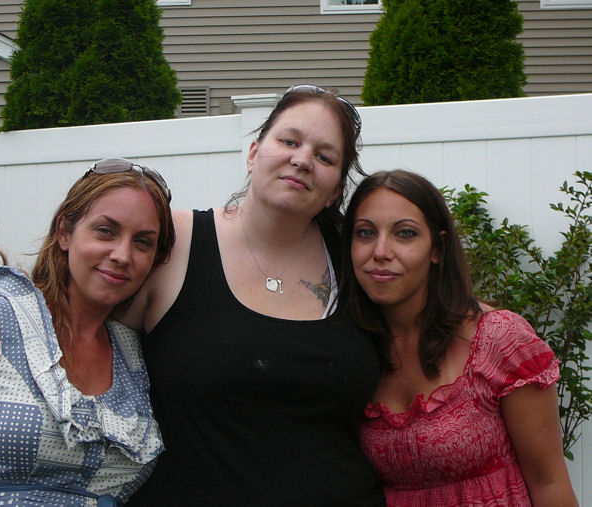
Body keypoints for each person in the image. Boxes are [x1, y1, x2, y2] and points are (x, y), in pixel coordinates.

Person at [122, 85, 385, 505]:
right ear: (252, 153)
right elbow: (83, 332)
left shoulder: (357, 261)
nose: (302, 160)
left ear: (336, 189)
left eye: (324, 157)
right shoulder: (171, 242)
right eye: (289, 141)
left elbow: (431, 321)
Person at [0, 158, 175, 506]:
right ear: (64, 232)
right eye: (106, 231)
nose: (122, 255)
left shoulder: (136, 355)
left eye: (143, 242)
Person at [340, 169, 578, 506]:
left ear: (437, 249)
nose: (380, 251)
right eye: (365, 233)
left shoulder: (498, 339)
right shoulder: (348, 348)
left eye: (405, 234)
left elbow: (550, 483)